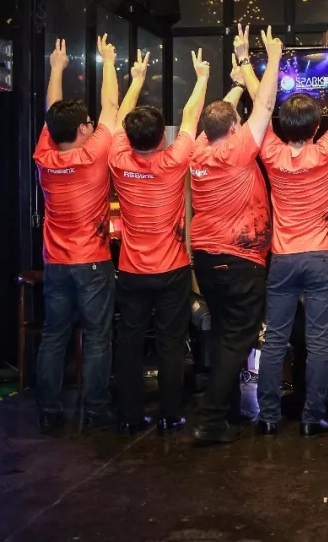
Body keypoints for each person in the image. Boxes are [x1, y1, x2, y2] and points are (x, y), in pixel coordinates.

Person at [255, 22, 328, 438]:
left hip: (284, 259)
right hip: (321, 259)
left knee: (276, 340)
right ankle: (311, 419)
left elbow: (261, 105)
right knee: (319, 341)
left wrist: (259, 64)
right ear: (316, 125)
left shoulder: (270, 151)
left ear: (282, 125)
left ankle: (268, 418)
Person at [108, 48, 211, 434]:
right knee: (171, 343)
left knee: (130, 343)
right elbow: (190, 115)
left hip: (132, 271)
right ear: (161, 136)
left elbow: (119, 118)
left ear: (130, 137)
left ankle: (129, 415)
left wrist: (136, 80)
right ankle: (171, 413)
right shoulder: (174, 160)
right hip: (171, 271)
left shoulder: (119, 159)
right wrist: (202, 77)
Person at [189, 24, 282, 444]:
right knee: (237, 337)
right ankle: (210, 419)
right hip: (238, 259)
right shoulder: (237, 149)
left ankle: (223, 412)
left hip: (206, 258)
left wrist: (236, 86)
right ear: (233, 128)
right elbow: (265, 106)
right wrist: (265, 59)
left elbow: (221, 114)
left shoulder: (199, 148)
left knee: (225, 332)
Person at [32, 36, 120, 432]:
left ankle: (49, 411)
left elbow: (52, 113)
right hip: (93, 263)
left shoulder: (45, 155)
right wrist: (108, 61)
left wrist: (56, 69)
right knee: (98, 337)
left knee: (54, 336)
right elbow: (111, 107)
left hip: (56, 263)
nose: (91, 125)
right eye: (87, 123)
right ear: (83, 128)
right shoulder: (92, 153)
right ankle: (96, 410)